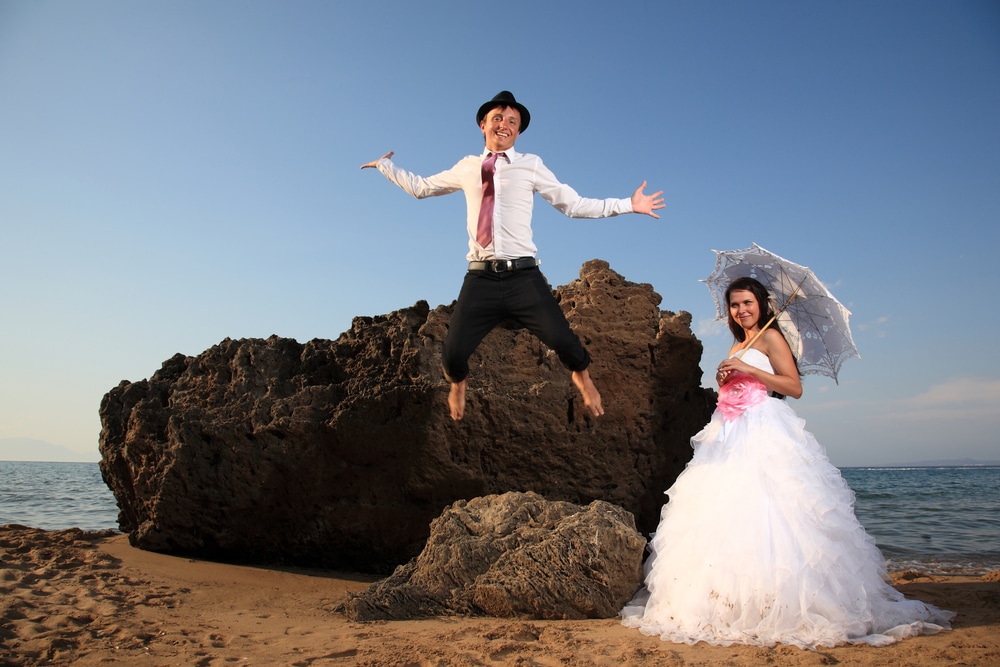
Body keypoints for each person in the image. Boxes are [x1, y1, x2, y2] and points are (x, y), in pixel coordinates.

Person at [620, 276, 954, 649]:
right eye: (734, 305)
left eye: (747, 303)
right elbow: (739, 384)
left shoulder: (771, 337)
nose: (741, 310)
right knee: (726, 512)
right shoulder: (741, 340)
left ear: (761, 304)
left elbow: (792, 387)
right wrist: (724, 375)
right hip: (729, 429)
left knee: (771, 509)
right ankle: (732, 599)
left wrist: (750, 371)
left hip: (762, 427)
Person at [361, 91, 664, 421]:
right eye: (497, 119)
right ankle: (458, 384)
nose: (504, 125)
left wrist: (627, 205)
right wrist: (385, 166)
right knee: (452, 355)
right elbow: (421, 187)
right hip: (481, 277)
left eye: (512, 122)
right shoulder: (468, 167)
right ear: (483, 125)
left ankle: (584, 379)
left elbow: (573, 205)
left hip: (523, 277)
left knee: (564, 339)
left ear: (518, 131)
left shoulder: (530, 165)